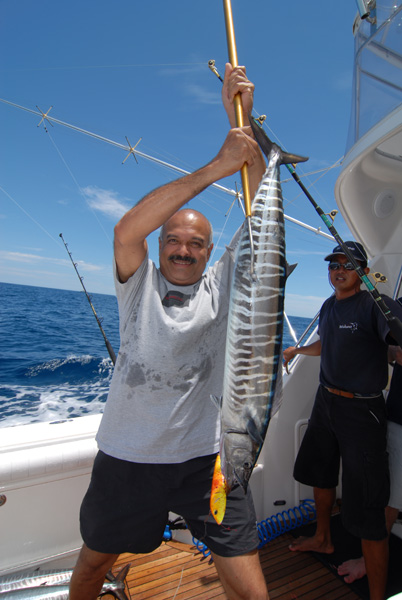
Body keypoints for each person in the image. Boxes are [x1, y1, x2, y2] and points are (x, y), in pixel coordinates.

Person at [69, 64, 270, 600]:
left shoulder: (224, 287)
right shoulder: (137, 285)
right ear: (159, 250)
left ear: (211, 251)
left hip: (208, 463)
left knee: (254, 593)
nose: (182, 249)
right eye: (172, 242)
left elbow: (260, 219)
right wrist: (217, 165)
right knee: (91, 568)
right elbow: (124, 228)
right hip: (128, 460)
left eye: (195, 244)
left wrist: (242, 117)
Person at [283, 242, 402, 600]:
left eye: (348, 264)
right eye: (333, 264)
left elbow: (394, 333)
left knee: (367, 505)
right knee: (319, 473)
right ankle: (323, 538)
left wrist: (387, 303)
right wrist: (298, 349)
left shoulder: (373, 306)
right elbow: (326, 341)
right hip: (326, 402)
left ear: (362, 271)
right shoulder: (328, 306)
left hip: (361, 412)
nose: (338, 269)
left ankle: (377, 595)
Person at [337, 330, 402, 585]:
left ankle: (369, 561)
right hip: (396, 414)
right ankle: (371, 558)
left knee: (387, 497)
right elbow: (391, 353)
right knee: (388, 494)